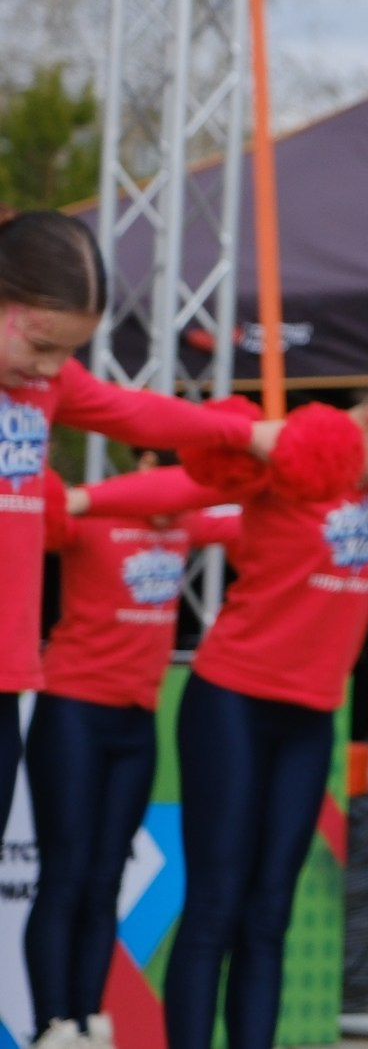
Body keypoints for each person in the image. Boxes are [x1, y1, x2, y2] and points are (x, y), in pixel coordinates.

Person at [69, 339, 368, 1049]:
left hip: (310, 717)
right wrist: (80, 501)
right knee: (217, 902)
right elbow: (182, 492)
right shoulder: (291, 452)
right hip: (233, 702)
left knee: (270, 910)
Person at [2, 206, 277, 831]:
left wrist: (246, 435)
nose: (51, 367)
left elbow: (133, 412)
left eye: (68, 352)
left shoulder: (40, 385)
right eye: (42, 345)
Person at [22, 462, 238, 1049]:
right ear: (143, 470)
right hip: (73, 712)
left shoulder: (187, 522)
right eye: (168, 474)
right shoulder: (92, 514)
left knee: (106, 879)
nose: (179, 492)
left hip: (137, 724)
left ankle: (87, 1021)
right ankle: (51, 1025)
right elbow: (38, 513)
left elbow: (246, 507)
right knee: (64, 876)